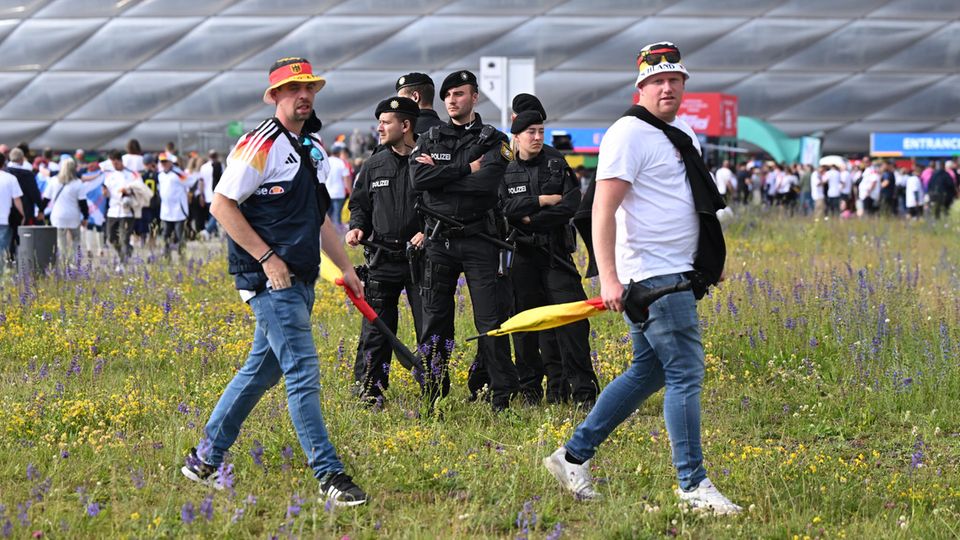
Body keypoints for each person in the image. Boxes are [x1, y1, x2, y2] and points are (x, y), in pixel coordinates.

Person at [543, 41, 741, 514]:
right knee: (686, 374)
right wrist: (608, 277)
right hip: (652, 277)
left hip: (678, 273)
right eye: (658, 81)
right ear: (641, 86)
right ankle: (692, 486)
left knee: (647, 372)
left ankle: (571, 457)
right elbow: (602, 210)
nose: (667, 87)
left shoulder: (682, 133)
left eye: (675, 80)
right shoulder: (627, 133)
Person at [181, 57, 367, 507]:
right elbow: (222, 206)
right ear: (275, 96)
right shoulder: (258, 143)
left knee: (261, 370)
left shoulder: (314, 148)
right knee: (302, 370)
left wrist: (345, 266)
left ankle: (204, 459)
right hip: (269, 280)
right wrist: (266, 259)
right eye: (293, 89)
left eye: (309, 88)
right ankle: (329, 475)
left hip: (301, 276)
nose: (304, 95)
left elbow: (318, 217)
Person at [410, 69, 520, 411]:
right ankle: (432, 394)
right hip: (439, 240)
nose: (452, 100)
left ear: (474, 96)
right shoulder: (429, 136)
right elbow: (417, 178)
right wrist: (464, 169)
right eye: (448, 96)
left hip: (480, 239)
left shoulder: (494, 139)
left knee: (490, 321)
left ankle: (499, 394)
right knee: (435, 321)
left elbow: (486, 183)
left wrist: (441, 177)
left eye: (459, 93)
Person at [501, 103, 598, 406]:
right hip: (522, 256)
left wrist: (533, 219)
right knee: (526, 325)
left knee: (573, 321)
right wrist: (540, 201)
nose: (537, 137)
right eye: (531, 132)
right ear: (516, 136)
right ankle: (530, 390)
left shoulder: (555, 163)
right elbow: (503, 208)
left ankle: (582, 391)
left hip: (555, 252)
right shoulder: (505, 168)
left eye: (541, 131)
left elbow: (570, 204)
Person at [346, 97, 425, 405]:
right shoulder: (374, 164)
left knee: (429, 326)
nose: (379, 127)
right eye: (379, 121)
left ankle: (432, 390)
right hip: (381, 258)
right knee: (376, 327)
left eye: (386, 122)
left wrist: (426, 231)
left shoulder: (428, 160)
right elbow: (360, 203)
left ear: (405, 126)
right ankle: (369, 390)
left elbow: (442, 204)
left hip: (420, 261)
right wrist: (357, 227)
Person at [41, 157, 89, 265]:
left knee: (61, 242)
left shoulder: (54, 181)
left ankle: (63, 264)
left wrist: (40, 211)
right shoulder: (78, 183)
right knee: (76, 240)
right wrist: (85, 217)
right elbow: (83, 203)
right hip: (73, 216)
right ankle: (75, 263)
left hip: (58, 216)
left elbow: (45, 199)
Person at [102, 149, 142, 268]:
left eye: (116, 163)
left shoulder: (131, 174)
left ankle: (123, 263)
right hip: (113, 210)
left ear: (120, 161)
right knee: (111, 237)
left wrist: (128, 190)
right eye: (112, 163)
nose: (115, 165)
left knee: (124, 238)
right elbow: (107, 190)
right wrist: (105, 192)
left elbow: (140, 188)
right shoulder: (110, 175)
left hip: (127, 210)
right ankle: (124, 252)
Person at [157, 152, 193, 258]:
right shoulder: (160, 175)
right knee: (165, 235)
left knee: (179, 235)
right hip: (166, 211)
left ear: (170, 162)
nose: (163, 164)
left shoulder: (178, 174)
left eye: (165, 161)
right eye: (161, 162)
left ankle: (182, 256)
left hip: (178, 211)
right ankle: (166, 257)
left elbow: (190, 182)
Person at [0, 153, 24, 273]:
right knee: (3, 248)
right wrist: (23, 215)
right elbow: (17, 200)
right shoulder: (10, 178)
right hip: (5, 218)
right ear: (4, 163)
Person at [325, 147, 351, 228]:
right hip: (338, 193)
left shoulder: (326, 161)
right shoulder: (341, 163)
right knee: (337, 216)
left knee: (327, 217)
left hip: (326, 192)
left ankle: (327, 238)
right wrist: (351, 192)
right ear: (339, 153)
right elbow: (346, 178)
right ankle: (337, 237)